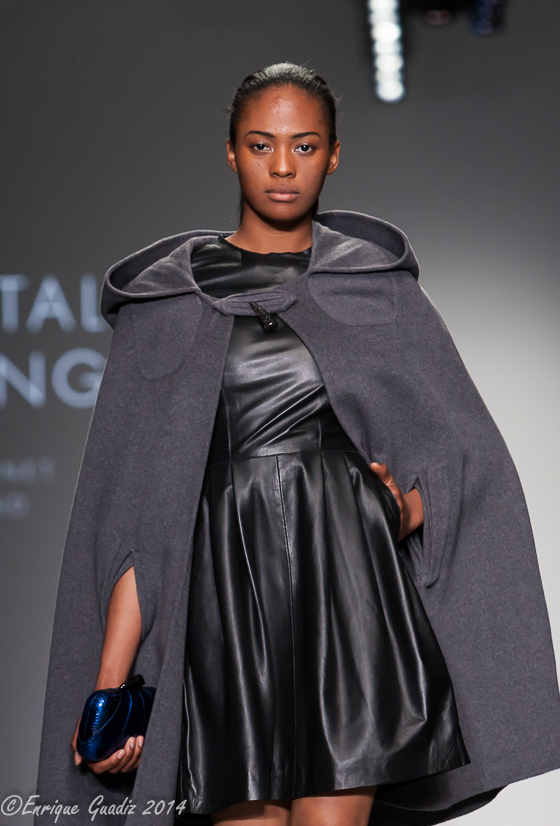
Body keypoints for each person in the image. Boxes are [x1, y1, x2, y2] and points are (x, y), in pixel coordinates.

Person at [35, 64, 560, 826]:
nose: (283, 166)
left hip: (352, 601)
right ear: (230, 152)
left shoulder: (377, 289)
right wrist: (110, 688)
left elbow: (462, 462)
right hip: (223, 610)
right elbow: (137, 525)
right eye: (262, 145)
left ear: (333, 155)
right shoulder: (163, 307)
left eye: (304, 146)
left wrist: (394, 513)